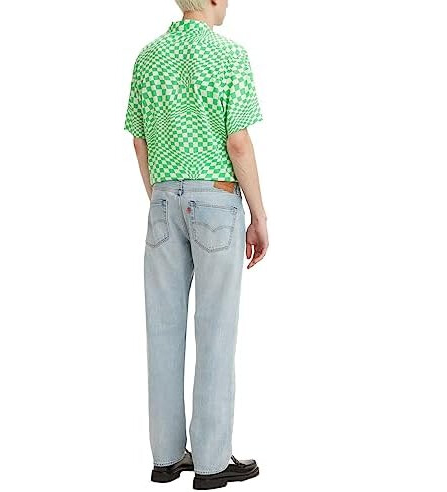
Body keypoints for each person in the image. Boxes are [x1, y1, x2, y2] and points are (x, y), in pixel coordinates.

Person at [124, 0, 268, 489]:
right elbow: (238, 143)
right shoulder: (229, 56)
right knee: (216, 331)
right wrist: (259, 215)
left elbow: (139, 142)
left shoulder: (148, 57)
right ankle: (211, 462)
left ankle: (166, 457)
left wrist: (161, 198)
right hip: (218, 202)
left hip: (163, 199)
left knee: (162, 331)